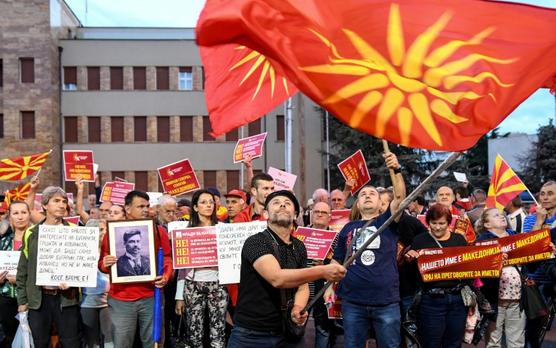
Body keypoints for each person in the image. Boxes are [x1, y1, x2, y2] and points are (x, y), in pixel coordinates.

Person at [228, 190, 346, 347]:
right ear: (265, 214)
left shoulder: (299, 246)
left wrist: (297, 307)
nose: (282, 204)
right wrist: (323, 271)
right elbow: (277, 278)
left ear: (296, 214)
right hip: (251, 334)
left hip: (286, 333)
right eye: (276, 203)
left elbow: (303, 286)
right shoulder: (255, 242)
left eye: (288, 203)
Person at [325, 151, 406, 347]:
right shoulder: (347, 228)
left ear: (380, 204)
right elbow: (337, 260)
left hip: (386, 301)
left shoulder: (387, 222)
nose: (367, 196)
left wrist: (396, 169)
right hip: (352, 302)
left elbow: (400, 196)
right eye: (363, 194)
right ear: (358, 204)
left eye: (372, 194)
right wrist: (328, 286)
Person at [99, 190, 173, 348]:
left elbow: (167, 258)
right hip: (121, 299)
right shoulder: (112, 233)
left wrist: (165, 276)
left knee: (154, 343)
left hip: (152, 297)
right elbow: (102, 263)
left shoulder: (159, 232)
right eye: (140, 206)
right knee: (122, 344)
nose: (145, 210)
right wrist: (105, 264)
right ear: (127, 208)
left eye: (147, 206)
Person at [16, 186, 81, 348]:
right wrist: (22, 300)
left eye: (64, 201)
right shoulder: (31, 233)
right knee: (40, 342)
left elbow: (82, 265)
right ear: (44, 205)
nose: (62, 205)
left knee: (71, 342)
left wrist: (74, 281)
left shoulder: (75, 231)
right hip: (38, 299)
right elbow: (23, 268)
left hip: (66, 298)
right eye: (56, 201)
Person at [405, 204, 469, 348]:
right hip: (430, 300)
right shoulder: (420, 240)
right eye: (434, 223)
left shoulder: (459, 240)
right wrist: (410, 259)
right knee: (430, 343)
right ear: (428, 223)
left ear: (448, 222)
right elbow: (412, 275)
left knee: (454, 343)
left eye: (442, 223)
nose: (438, 227)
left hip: (457, 299)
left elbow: (468, 267)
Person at [175, 189, 227, 347]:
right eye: (203, 202)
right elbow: (182, 269)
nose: (208, 205)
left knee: (218, 330)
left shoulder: (224, 229)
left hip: (218, 284)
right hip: (192, 285)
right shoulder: (185, 232)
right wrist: (179, 296)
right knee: (193, 332)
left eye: (211, 202)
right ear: (195, 207)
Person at [475, 208, 525, 348]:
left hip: (517, 296)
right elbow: (479, 268)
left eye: (502, 214)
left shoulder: (515, 236)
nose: (502, 216)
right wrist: (495, 260)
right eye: (496, 215)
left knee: (517, 341)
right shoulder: (482, 241)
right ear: (487, 224)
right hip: (493, 298)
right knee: (493, 342)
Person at [0, 201, 31, 347]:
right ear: (10, 217)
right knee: (10, 338)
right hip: (6, 299)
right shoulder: (3, 242)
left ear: (29, 215)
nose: (20, 217)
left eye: (24, 212)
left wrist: (20, 280)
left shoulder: (36, 241)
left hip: (31, 299)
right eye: (16, 213)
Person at [82, 219, 113, 348]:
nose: (103, 233)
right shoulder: (81, 252)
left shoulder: (110, 250)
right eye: (100, 230)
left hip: (108, 301)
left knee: (109, 338)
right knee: (92, 340)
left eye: (105, 229)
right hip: (87, 301)